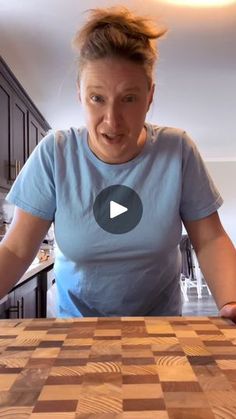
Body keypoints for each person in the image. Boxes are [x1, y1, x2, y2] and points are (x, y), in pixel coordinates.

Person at [0, 6, 236, 321]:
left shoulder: (177, 150)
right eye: (97, 98)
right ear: (80, 95)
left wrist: (232, 301)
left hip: (159, 330)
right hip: (76, 333)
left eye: (128, 98)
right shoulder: (54, 153)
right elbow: (16, 249)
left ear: (149, 96)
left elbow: (210, 239)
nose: (112, 121)